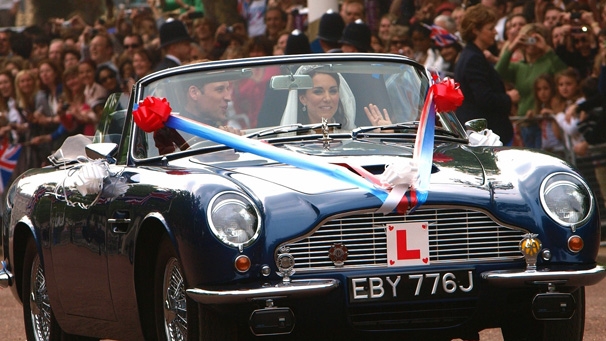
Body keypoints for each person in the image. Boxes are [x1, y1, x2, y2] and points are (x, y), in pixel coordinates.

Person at [454, 4, 519, 146]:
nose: (495, 32)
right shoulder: (473, 59)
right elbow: (484, 98)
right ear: (475, 30)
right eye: (490, 28)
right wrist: (509, 98)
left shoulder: (471, 55)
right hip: (486, 138)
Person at [495, 23, 567, 148]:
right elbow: (498, 72)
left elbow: (564, 74)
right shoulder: (518, 67)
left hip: (545, 122)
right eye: (526, 39)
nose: (531, 43)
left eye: (534, 39)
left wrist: (546, 49)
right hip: (524, 123)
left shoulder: (549, 61)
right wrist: (512, 47)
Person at [280, 66, 391, 131]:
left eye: (333, 91)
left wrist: (384, 138)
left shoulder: (352, 137)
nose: (327, 98)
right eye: (318, 91)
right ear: (303, 98)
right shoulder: (290, 143)